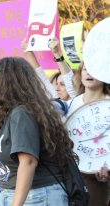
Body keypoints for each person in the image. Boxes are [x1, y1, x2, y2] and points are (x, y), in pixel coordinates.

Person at [0, 57, 74, 205]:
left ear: (5, 81)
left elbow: (28, 161)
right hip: (22, 195)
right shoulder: (14, 113)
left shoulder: (21, 113)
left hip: (36, 196)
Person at [66, 62, 110, 206]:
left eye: (94, 69)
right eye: (85, 69)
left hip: (98, 180)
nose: (89, 73)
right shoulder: (72, 103)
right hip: (71, 173)